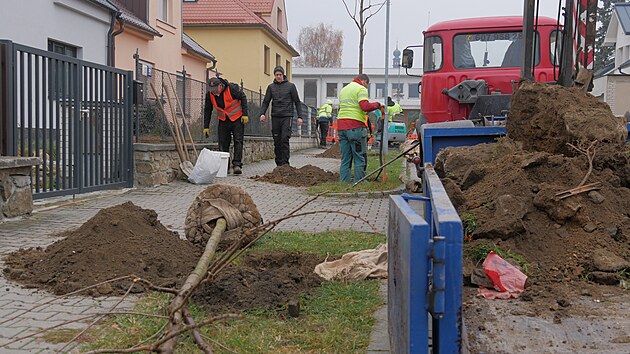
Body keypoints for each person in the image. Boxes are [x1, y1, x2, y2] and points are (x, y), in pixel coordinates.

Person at [337, 73, 381, 183]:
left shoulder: (344, 89)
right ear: (364, 81)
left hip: (342, 127)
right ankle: (359, 181)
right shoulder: (361, 89)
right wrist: (377, 104)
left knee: (345, 158)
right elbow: (365, 106)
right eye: (366, 85)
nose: (366, 87)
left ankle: (343, 182)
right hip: (355, 127)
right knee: (359, 156)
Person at [203, 76, 248, 175]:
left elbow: (243, 97)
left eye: (215, 90)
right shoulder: (209, 95)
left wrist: (245, 114)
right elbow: (207, 110)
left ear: (220, 85)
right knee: (223, 143)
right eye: (212, 90)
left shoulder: (232, 88)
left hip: (237, 119)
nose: (214, 92)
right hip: (223, 120)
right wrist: (206, 126)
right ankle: (225, 166)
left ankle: (237, 165)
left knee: (238, 141)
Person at [260, 66, 303, 166]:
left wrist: (300, 116)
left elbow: (297, 102)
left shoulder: (291, 86)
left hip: (287, 116)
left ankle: (285, 163)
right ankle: (278, 164)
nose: (278, 76)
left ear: (283, 75)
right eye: (276, 75)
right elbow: (266, 101)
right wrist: (262, 113)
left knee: (284, 139)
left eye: (280, 74)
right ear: (274, 75)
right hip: (275, 116)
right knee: (277, 140)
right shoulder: (271, 87)